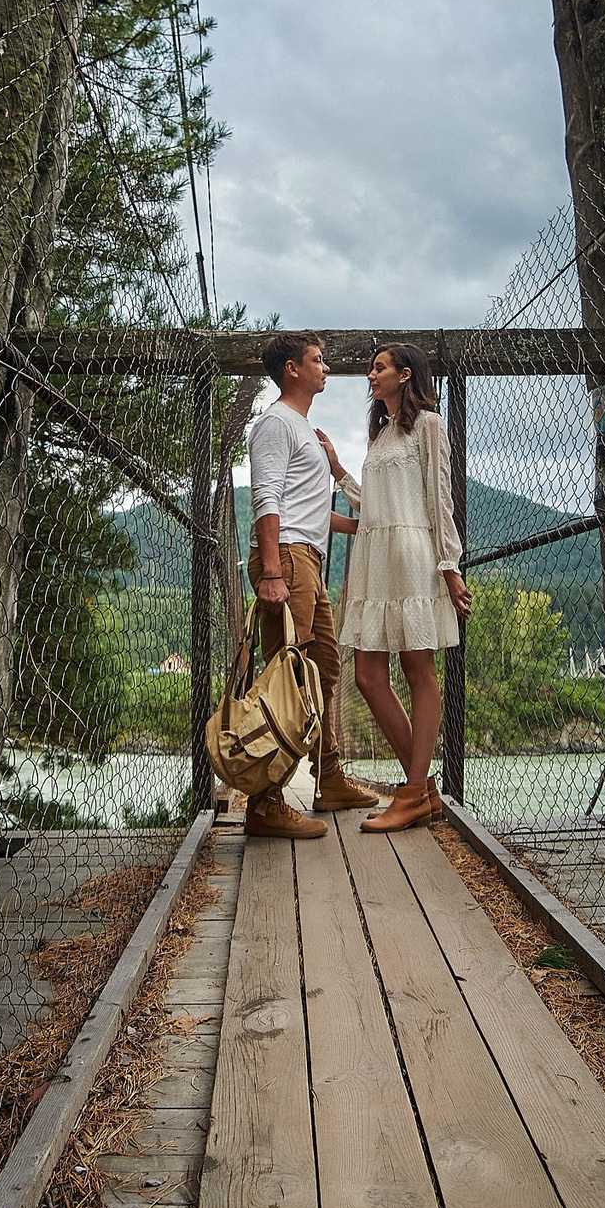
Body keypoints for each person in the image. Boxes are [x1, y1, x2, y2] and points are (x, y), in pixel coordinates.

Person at [243, 332, 386, 839]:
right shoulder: (275, 424)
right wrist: (274, 572)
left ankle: (327, 778)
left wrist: (364, 523)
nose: (326, 368)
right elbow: (268, 498)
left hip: (308, 557)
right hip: (288, 559)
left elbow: (311, 512)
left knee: (324, 667)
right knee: (286, 673)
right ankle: (265, 801)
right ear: (292, 370)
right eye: (317, 360)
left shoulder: (303, 429)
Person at [335, 343, 470, 832]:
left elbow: (439, 499)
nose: (371, 375)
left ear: (405, 374)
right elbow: (373, 503)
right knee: (368, 676)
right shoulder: (382, 434)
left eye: (379, 368)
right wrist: (338, 471)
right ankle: (423, 789)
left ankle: (411, 793)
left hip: (413, 559)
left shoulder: (429, 425)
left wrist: (450, 568)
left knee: (419, 668)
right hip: (376, 559)